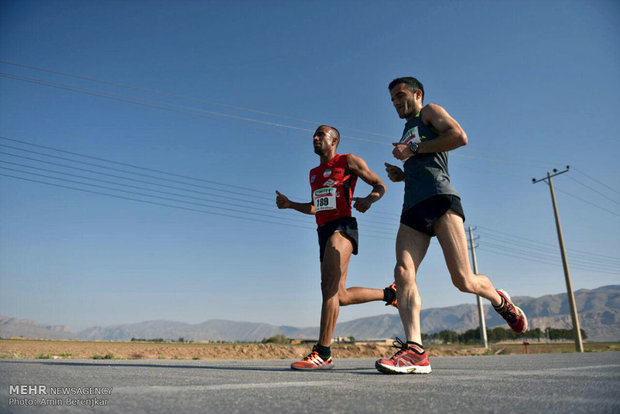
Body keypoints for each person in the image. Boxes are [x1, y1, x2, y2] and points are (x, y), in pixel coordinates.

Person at [375, 77, 528, 374]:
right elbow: (426, 162)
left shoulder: (429, 112)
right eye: (391, 98)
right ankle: (415, 350)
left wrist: (414, 150)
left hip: (442, 200)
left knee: (463, 281)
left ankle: (500, 301)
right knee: (402, 272)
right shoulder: (408, 130)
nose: (395, 102)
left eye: (400, 95)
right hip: (412, 207)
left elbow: (459, 136)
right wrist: (403, 174)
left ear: (417, 94)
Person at [276, 125, 396, 370]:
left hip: (343, 227)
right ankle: (391, 294)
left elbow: (379, 184)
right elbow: (315, 207)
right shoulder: (313, 173)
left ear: (334, 141)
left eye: (321, 135)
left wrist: (369, 200)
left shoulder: (348, 160)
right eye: (314, 134)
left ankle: (323, 352)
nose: (315, 137)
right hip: (323, 230)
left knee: (328, 289)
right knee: (338, 295)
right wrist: (290, 205)